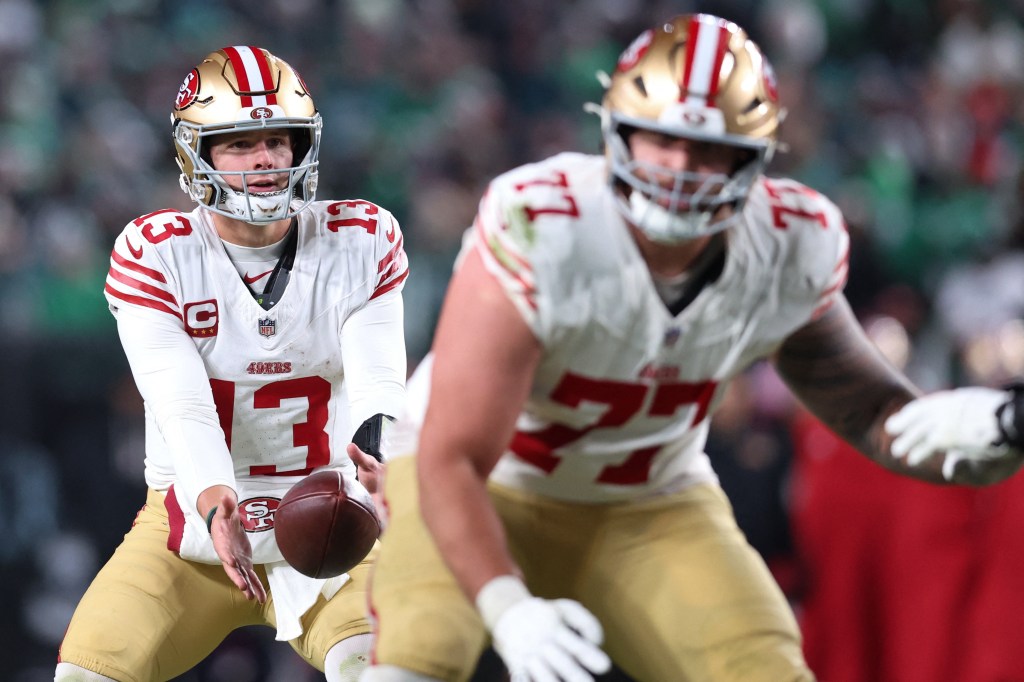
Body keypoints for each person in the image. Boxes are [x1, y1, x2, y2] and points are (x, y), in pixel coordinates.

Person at [358, 14, 1024, 682]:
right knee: (418, 655)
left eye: (708, 152)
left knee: (762, 669)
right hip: (485, 485)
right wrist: (507, 606)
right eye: (661, 140)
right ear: (617, 134)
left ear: (753, 159)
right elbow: (451, 458)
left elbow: (877, 418)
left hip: (645, 503)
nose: (679, 170)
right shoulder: (545, 224)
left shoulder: (788, 243)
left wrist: (988, 426)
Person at [55, 46, 408, 682]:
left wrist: (386, 465)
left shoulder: (360, 238)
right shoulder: (159, 254)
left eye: (278, 139)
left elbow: (379, 381)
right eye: (242, 144)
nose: (267, 159)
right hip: (189, 539)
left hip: (336, 527)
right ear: (199, 154)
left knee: (384, 674)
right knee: (85, 676)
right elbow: (181, 403)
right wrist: (219, 506)